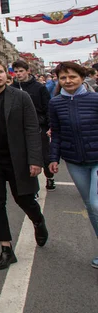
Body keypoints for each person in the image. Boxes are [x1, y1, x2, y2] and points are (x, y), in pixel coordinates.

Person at [0, 59, 49, 270]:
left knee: (24, 199)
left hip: (18, 159)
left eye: (0, 71)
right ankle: (6, 248)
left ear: (6, 75)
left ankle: (38, 221)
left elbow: (31, 128)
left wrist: (35, 160)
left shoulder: (21, 97)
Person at [48, 62, 98, 269]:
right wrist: (53, 158)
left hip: (97, 158)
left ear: (81, 77)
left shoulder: (95, 99)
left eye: (72, 77)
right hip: (75, 161)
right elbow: (56, 133)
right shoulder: (56, 103)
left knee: (96, 203)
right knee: (90, 206)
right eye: (63, 78)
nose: (68, 81)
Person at [12, 60, 54, 191]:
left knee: (43, 153)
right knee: (23, 155)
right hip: (19, 126)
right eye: (16, 71)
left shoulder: (39, 87)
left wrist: (49, 126)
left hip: (38, 125)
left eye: (21, 71)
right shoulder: (11, 89)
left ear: (27, 71)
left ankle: (50, 177)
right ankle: (31, 186)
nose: (18, 74)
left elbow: (48, 107)